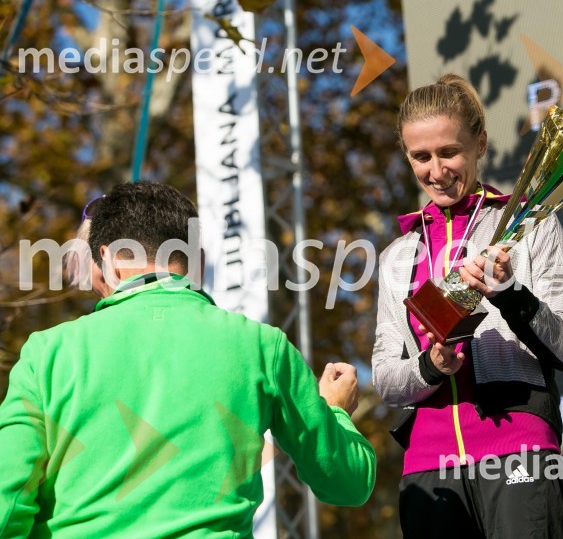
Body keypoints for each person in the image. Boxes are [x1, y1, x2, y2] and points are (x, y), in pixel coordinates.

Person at [0, 181, 376, 538]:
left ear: (106, 261)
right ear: (198, 260)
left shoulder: (45, 353)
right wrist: (335, 411)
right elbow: (348, 482)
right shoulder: (262, 346)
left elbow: (7, 504)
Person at [372, 73, 563, 538]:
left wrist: (509, 292)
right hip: (429, 468)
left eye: (449, 152)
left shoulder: (530, 226)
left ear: (480, 145)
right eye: (421, 157)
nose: (436, 171)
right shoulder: (397, 258)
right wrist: (430, 366)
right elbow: (386, 380)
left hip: (519, 449)